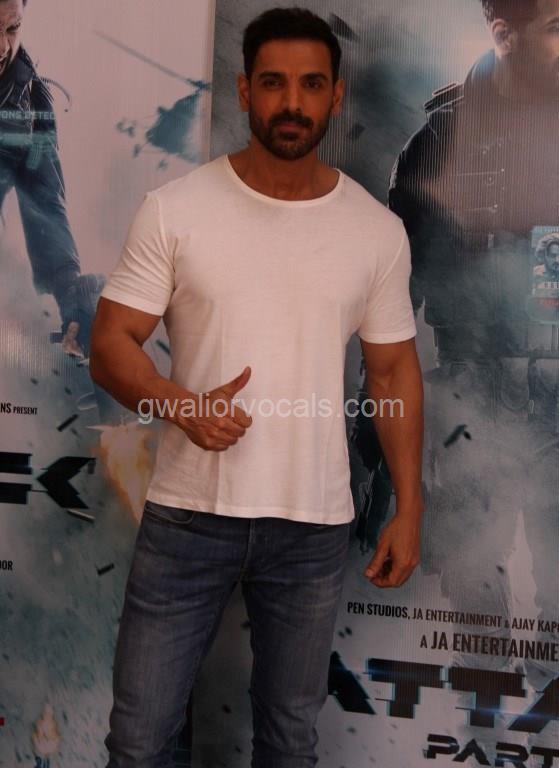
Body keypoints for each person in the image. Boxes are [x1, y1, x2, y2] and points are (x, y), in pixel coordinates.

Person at [91, 8, 424, 767]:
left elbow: (392, 372)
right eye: (273, 83)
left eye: (311, 85)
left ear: (336, 95)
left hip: (311, 527)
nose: (291, 103)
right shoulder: (176, 210)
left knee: (288, 743)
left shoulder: (375, 231)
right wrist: (181, 405)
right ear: (245, 91)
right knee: (139, 743)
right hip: (188, 518)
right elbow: (110, 345)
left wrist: (409, 506)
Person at [384, 0, 559, 690]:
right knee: (474, 605)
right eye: (557, 28)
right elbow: (391, 299)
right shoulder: (438, 141)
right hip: (470, 397)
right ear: (503, 33)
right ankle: (481, 723)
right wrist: (382, 421)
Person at [0, 0, 104, 357]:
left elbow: (45, 207)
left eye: (12, 28)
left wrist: (73, 297)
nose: (3, 47)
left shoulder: (31, 102)